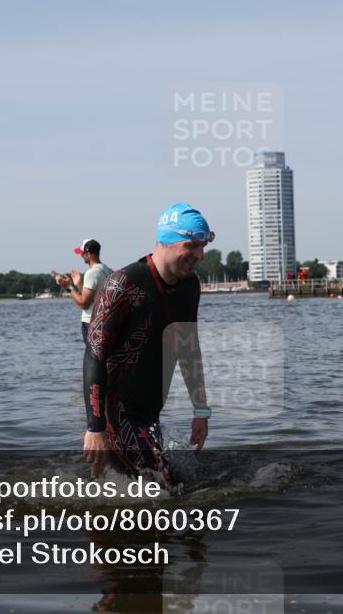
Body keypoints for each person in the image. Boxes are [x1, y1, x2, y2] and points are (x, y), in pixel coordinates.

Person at [83, 203, 212, 484]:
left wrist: (200, 410)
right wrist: (95, 428)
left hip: (150, 412)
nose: (200, 255)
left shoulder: (190, 287)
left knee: (175, 485)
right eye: (192, 245)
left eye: (204, 246)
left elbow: (189, 348)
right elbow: (94, 355)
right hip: (115, 412)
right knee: (164, 488)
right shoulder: (122, 285)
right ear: (165, 241)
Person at [57, 239, 113, 345]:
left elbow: (84, 304)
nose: (81, 255)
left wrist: (67, 287)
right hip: (104, 323)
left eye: (82, 253)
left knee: (93, 360)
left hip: (91, 324)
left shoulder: (91, 273)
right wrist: (78, 284)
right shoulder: (108, 270)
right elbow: (94, 298)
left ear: (88, 253)